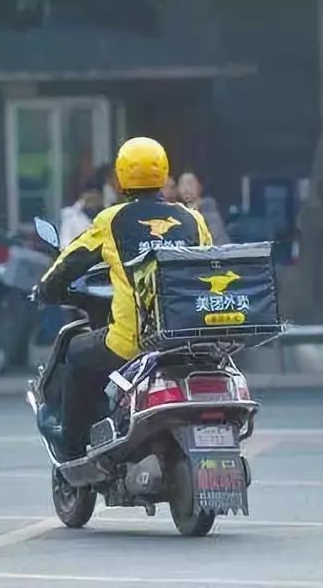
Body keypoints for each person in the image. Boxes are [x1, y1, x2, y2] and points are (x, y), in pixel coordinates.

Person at [37, 137, 213, 460]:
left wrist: (45, 288)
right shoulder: (193, 219)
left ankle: (72, 440)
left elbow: (71, 261)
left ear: (121, 178)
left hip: (132, 341)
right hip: (188, 338)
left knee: (76, 353)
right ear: (163, 174)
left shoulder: (111, 220)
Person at [179, 171, 231, 244]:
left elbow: (216, 238)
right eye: (181, 184)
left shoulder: (209, 208)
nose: (185, 188)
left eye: (190, 183)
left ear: (200, 186)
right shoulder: (178, 211)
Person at [59, 179, 104, 247]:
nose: (92, 199)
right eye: (89, 195)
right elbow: (64, 241)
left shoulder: (106, 216)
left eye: (95, 195)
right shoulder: (71, 216)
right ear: (82, 196)